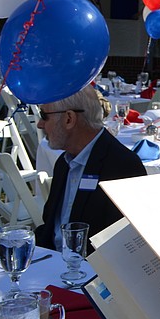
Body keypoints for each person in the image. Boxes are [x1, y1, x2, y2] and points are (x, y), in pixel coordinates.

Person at [35, 86, 147, 253]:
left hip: (91, 267)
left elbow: (126, 246)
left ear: (69, 119)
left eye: (44, 116)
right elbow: (50, 228)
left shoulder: (122, 166)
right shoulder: (64, 162)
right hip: (53, 260)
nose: (39, 124)